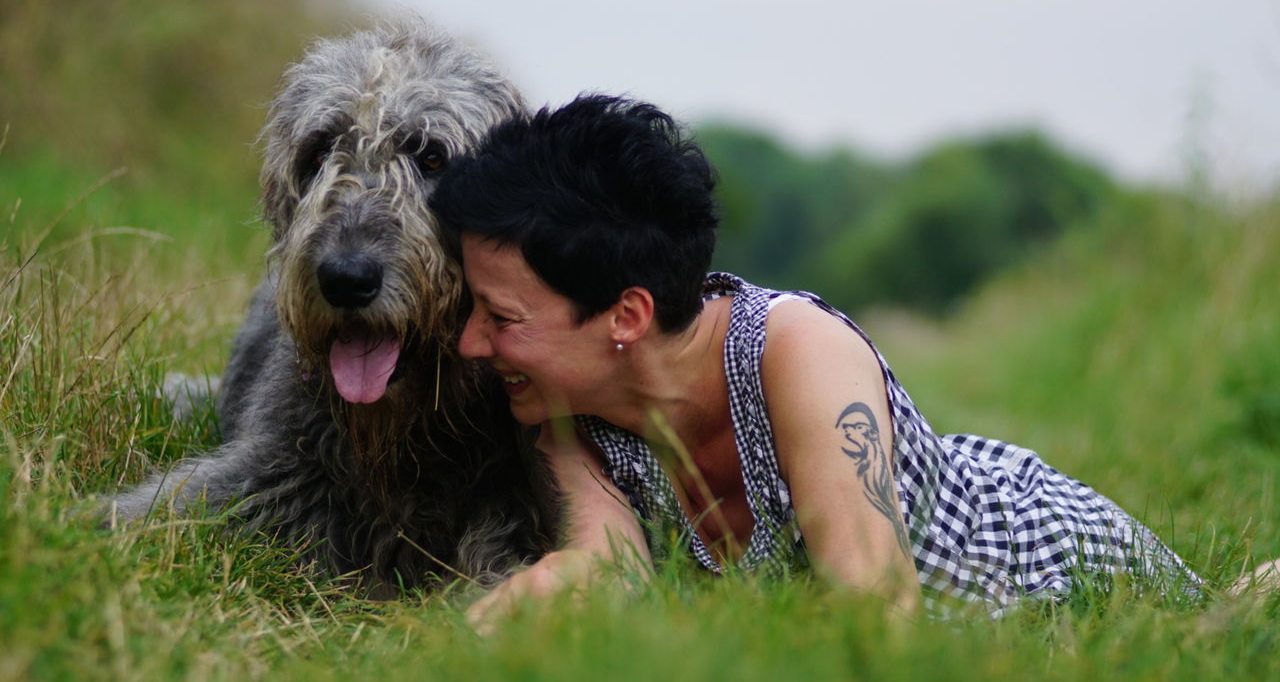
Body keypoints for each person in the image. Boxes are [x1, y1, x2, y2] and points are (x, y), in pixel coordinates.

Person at [429, 94, 1206, 626]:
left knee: (1225, 623)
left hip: (1039, 558)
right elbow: (610, 565)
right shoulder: (570, 414)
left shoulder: (796, 350)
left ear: (626, 314)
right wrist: (531, 602)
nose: (470, 342)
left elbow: (875, 607)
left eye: (500, 316)